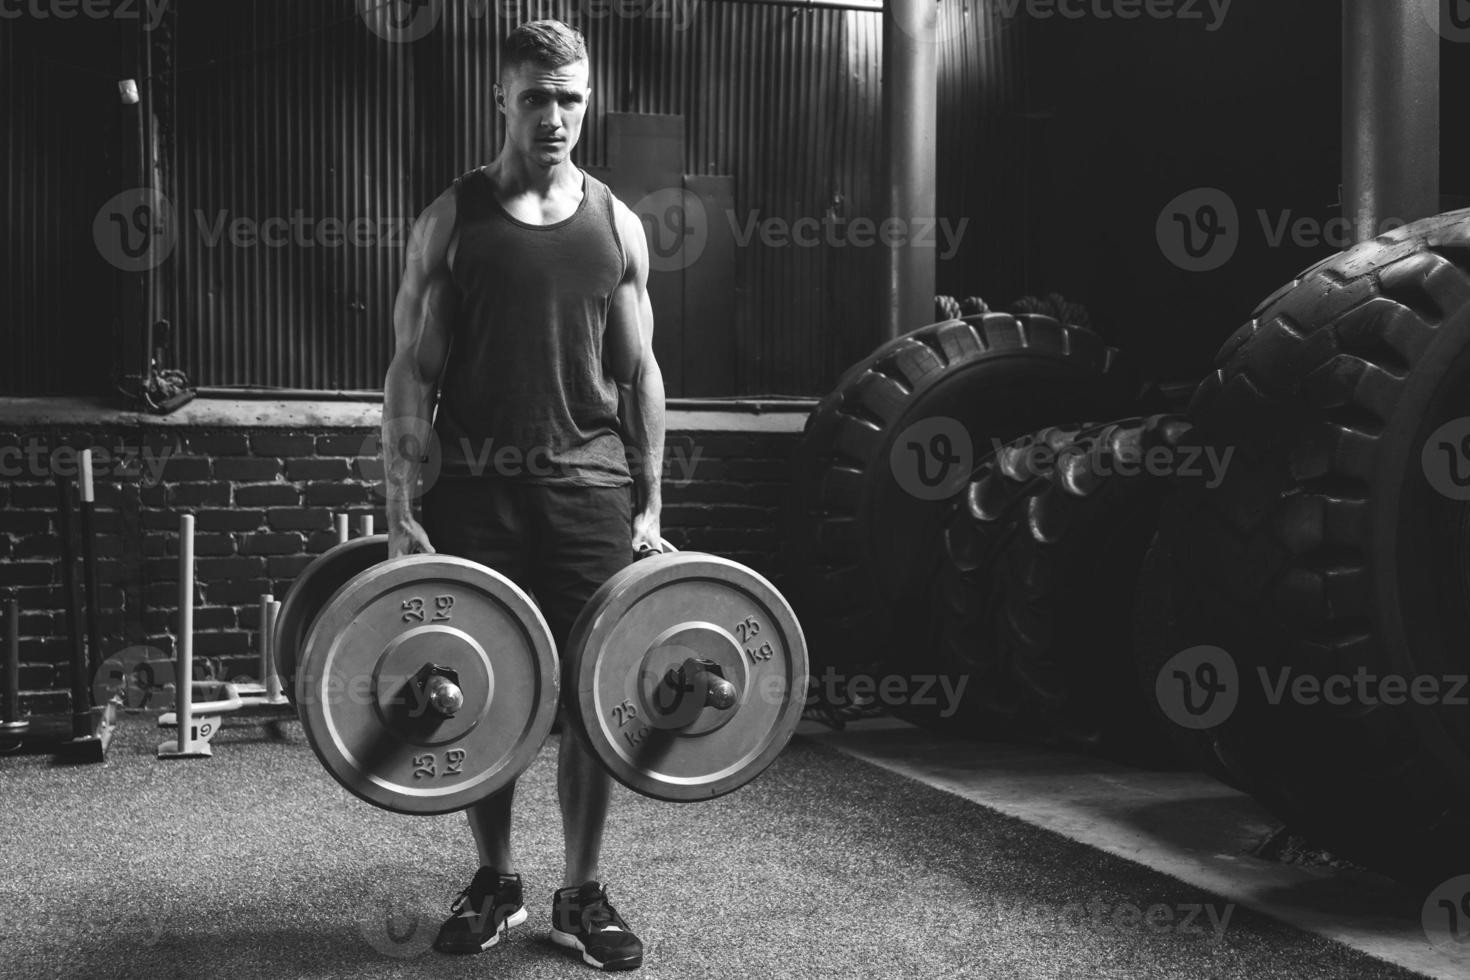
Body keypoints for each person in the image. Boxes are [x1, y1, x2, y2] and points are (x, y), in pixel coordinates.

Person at [380, 19, 664, 973]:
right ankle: (495, 880)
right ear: (503, 99)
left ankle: (580, 892)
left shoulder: (616, 223)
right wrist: (399, 507)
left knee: (590, 698)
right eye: (537, 97)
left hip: (589, 485)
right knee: (483, 694)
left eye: (571, 98)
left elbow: (639, 374)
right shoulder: (452, 219)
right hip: (476, 491)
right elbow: (412, 374)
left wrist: (651, 508)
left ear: (587, 100)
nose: (555, 115)